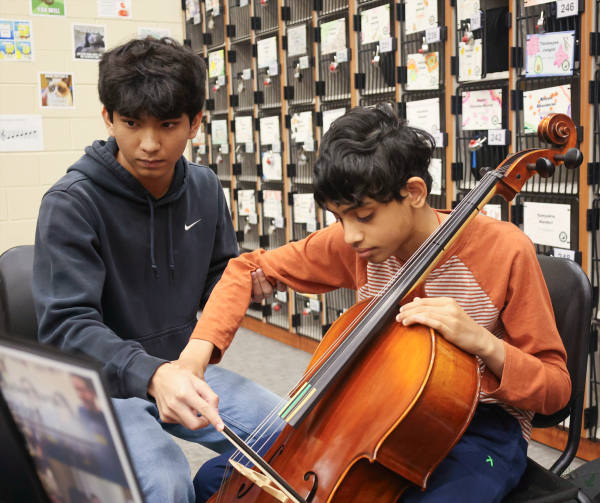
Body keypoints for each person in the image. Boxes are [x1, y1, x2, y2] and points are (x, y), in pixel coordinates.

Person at [180, 104, 572, 502]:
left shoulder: (505, 250)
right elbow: (245, 269)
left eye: (363, 215)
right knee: (217, 481)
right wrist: (193, 363)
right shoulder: (356, 243)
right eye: (338, 217)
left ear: (414, 193)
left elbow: (556, 388)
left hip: (479, 426)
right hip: (369, 409)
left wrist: (484, 343)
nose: (349, 236)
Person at [33, 37, 282, 503]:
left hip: (186, 367)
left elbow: (216, 278)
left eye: (168, 125)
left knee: (293, 435)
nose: (149, 144)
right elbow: (66, 327)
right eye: (131, 124)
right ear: (108, 117)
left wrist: (243, 287)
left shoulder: (205, 187)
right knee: (164, 484)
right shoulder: (71, 203)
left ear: (194, 124)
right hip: (102, 386)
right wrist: (151, 375)